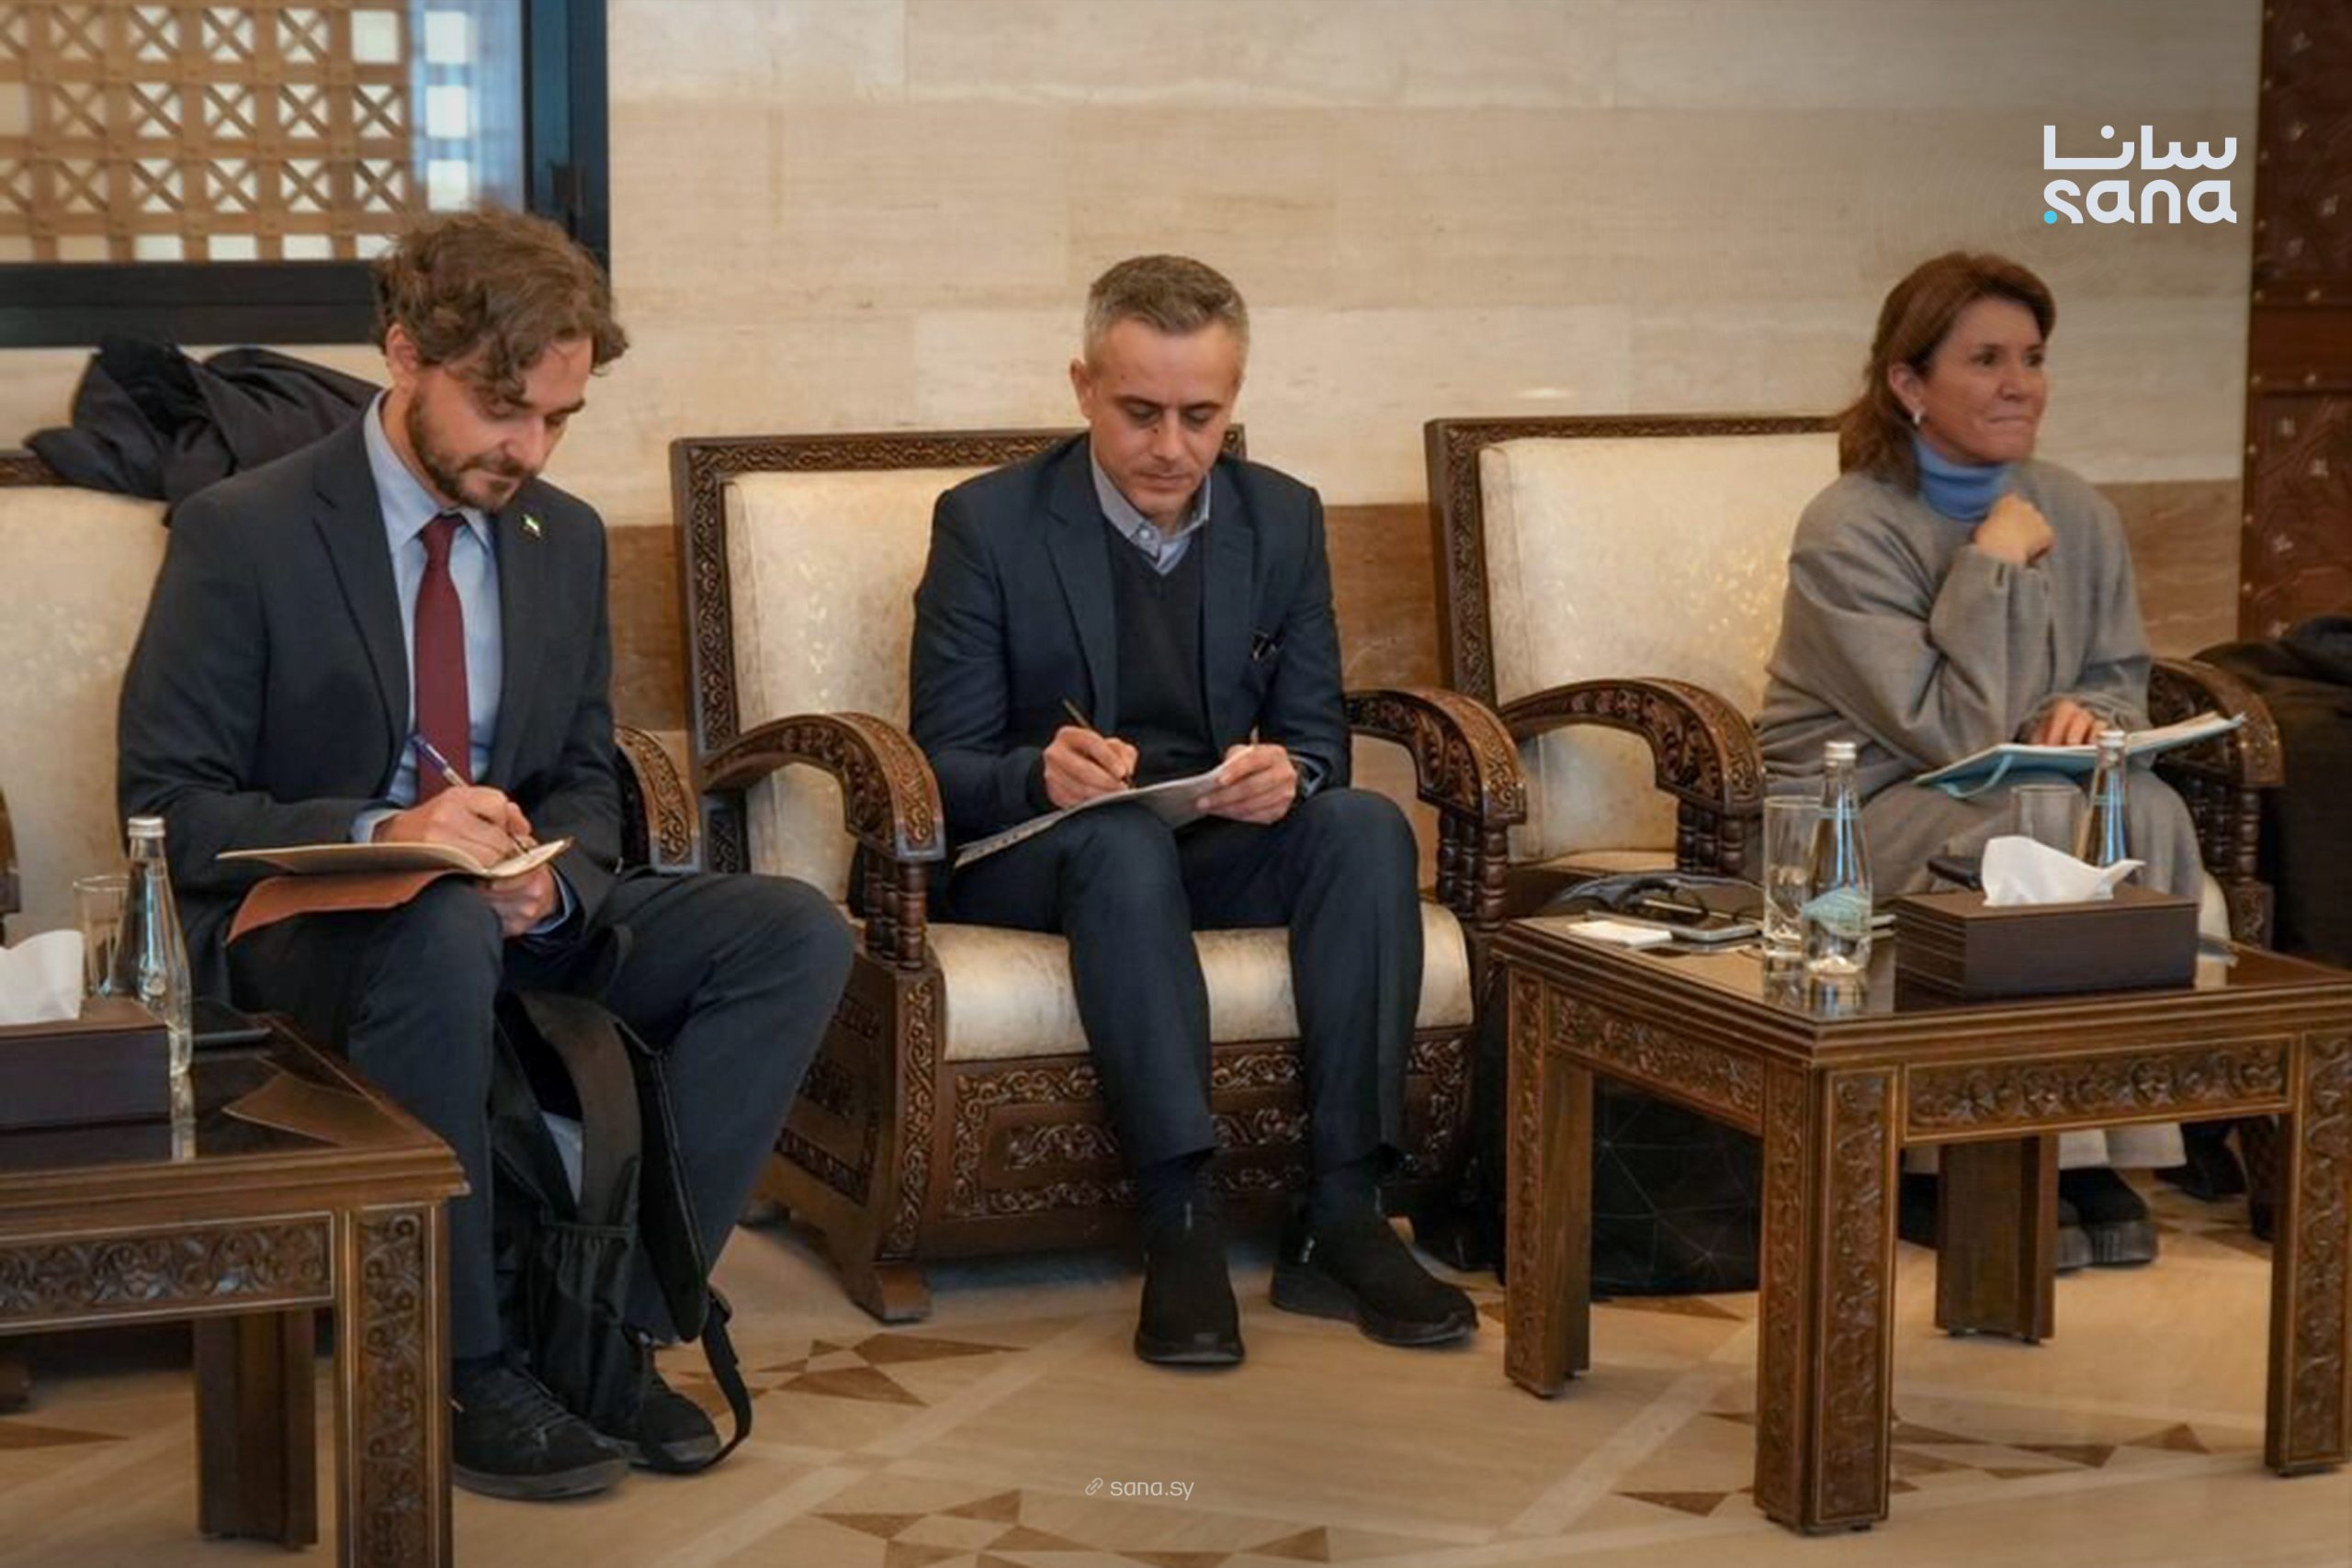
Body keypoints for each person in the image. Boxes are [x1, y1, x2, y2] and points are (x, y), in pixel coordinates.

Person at [117, 208, 854, 1500]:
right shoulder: (244, 530)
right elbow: (167, 806)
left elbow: (583, 776)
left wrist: (556, 879)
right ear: (404, 352)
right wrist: (384, 833)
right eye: (505, 409)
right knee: (439, 921)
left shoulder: (560, 537)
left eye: (560, 418)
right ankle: (464, 1360)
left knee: (791, 930)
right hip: (316, 939)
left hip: (508, 918)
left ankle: (610, 1327)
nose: (531, 448)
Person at [908, 254, 1476, 1367]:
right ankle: (1179, 1218)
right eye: (1139, 412)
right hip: (1042, 852)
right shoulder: (986, 523)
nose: (1170, 446)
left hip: (1207, 837)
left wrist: (1291, 774)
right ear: (1082, 388)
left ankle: (1343, 1213)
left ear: (1233, 399)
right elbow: (941, 764)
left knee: (1363, 828)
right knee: (1120, 843)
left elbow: (1316, 739)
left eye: (1200, 416)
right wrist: (1039, 774)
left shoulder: (1282, 518)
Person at [1756, 250, 2199, 1268]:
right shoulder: (1848, 526)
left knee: (2145, 810)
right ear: (1908, 383)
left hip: (2014, 785)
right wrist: (1991, 563)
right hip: (1862, 809)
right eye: (1986, 359)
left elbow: (2118, 676)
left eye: (2032, 358)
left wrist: (2088, 713)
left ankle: (2088, 1138)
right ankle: (1961, 1157)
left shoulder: (2076, 509)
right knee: (2032, 822)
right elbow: (1949, 732)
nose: (2018, 384)